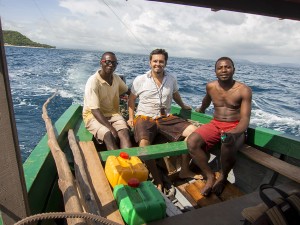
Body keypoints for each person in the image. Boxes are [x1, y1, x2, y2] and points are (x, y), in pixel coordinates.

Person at [127, 48, 200, 191]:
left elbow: (176, 94)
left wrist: (183, 105)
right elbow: (131, 99)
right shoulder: (140, 80)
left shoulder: (171, 79)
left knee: (195, 133)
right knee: (144, 145)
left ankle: (184, 169)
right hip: (144, 117)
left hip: (165, 117)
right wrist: (130, 118)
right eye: (155, 61)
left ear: (165, 63)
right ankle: (158, 180)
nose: (158, 64)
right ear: (150, 63)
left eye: (161, 61)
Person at [187, 57, 252, 196]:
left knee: (226, 142)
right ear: (215, 72)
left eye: (227, 67)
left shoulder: (244, 90)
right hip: (215, 123)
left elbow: (245, 119)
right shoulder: (211, 86)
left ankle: (223, 176)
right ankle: (210, 176)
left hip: (236, 126)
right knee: (192, 142)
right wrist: (201, 109)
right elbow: (206, 101)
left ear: (234, 69)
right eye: (220, 68)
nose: (224, 70)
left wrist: (234, 133)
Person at [82, 52, 132, 150]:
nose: (111, 65)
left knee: (125, 134)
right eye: (108, 62)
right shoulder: (93, 82)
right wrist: (111, 129)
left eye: (114, 63)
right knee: (108, 135)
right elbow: (95, 110)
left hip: (113, 114)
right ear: (101, 63)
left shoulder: (116, 78)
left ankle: (129, 162)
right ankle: (116, 162)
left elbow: (127, 91)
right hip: (93, 116)